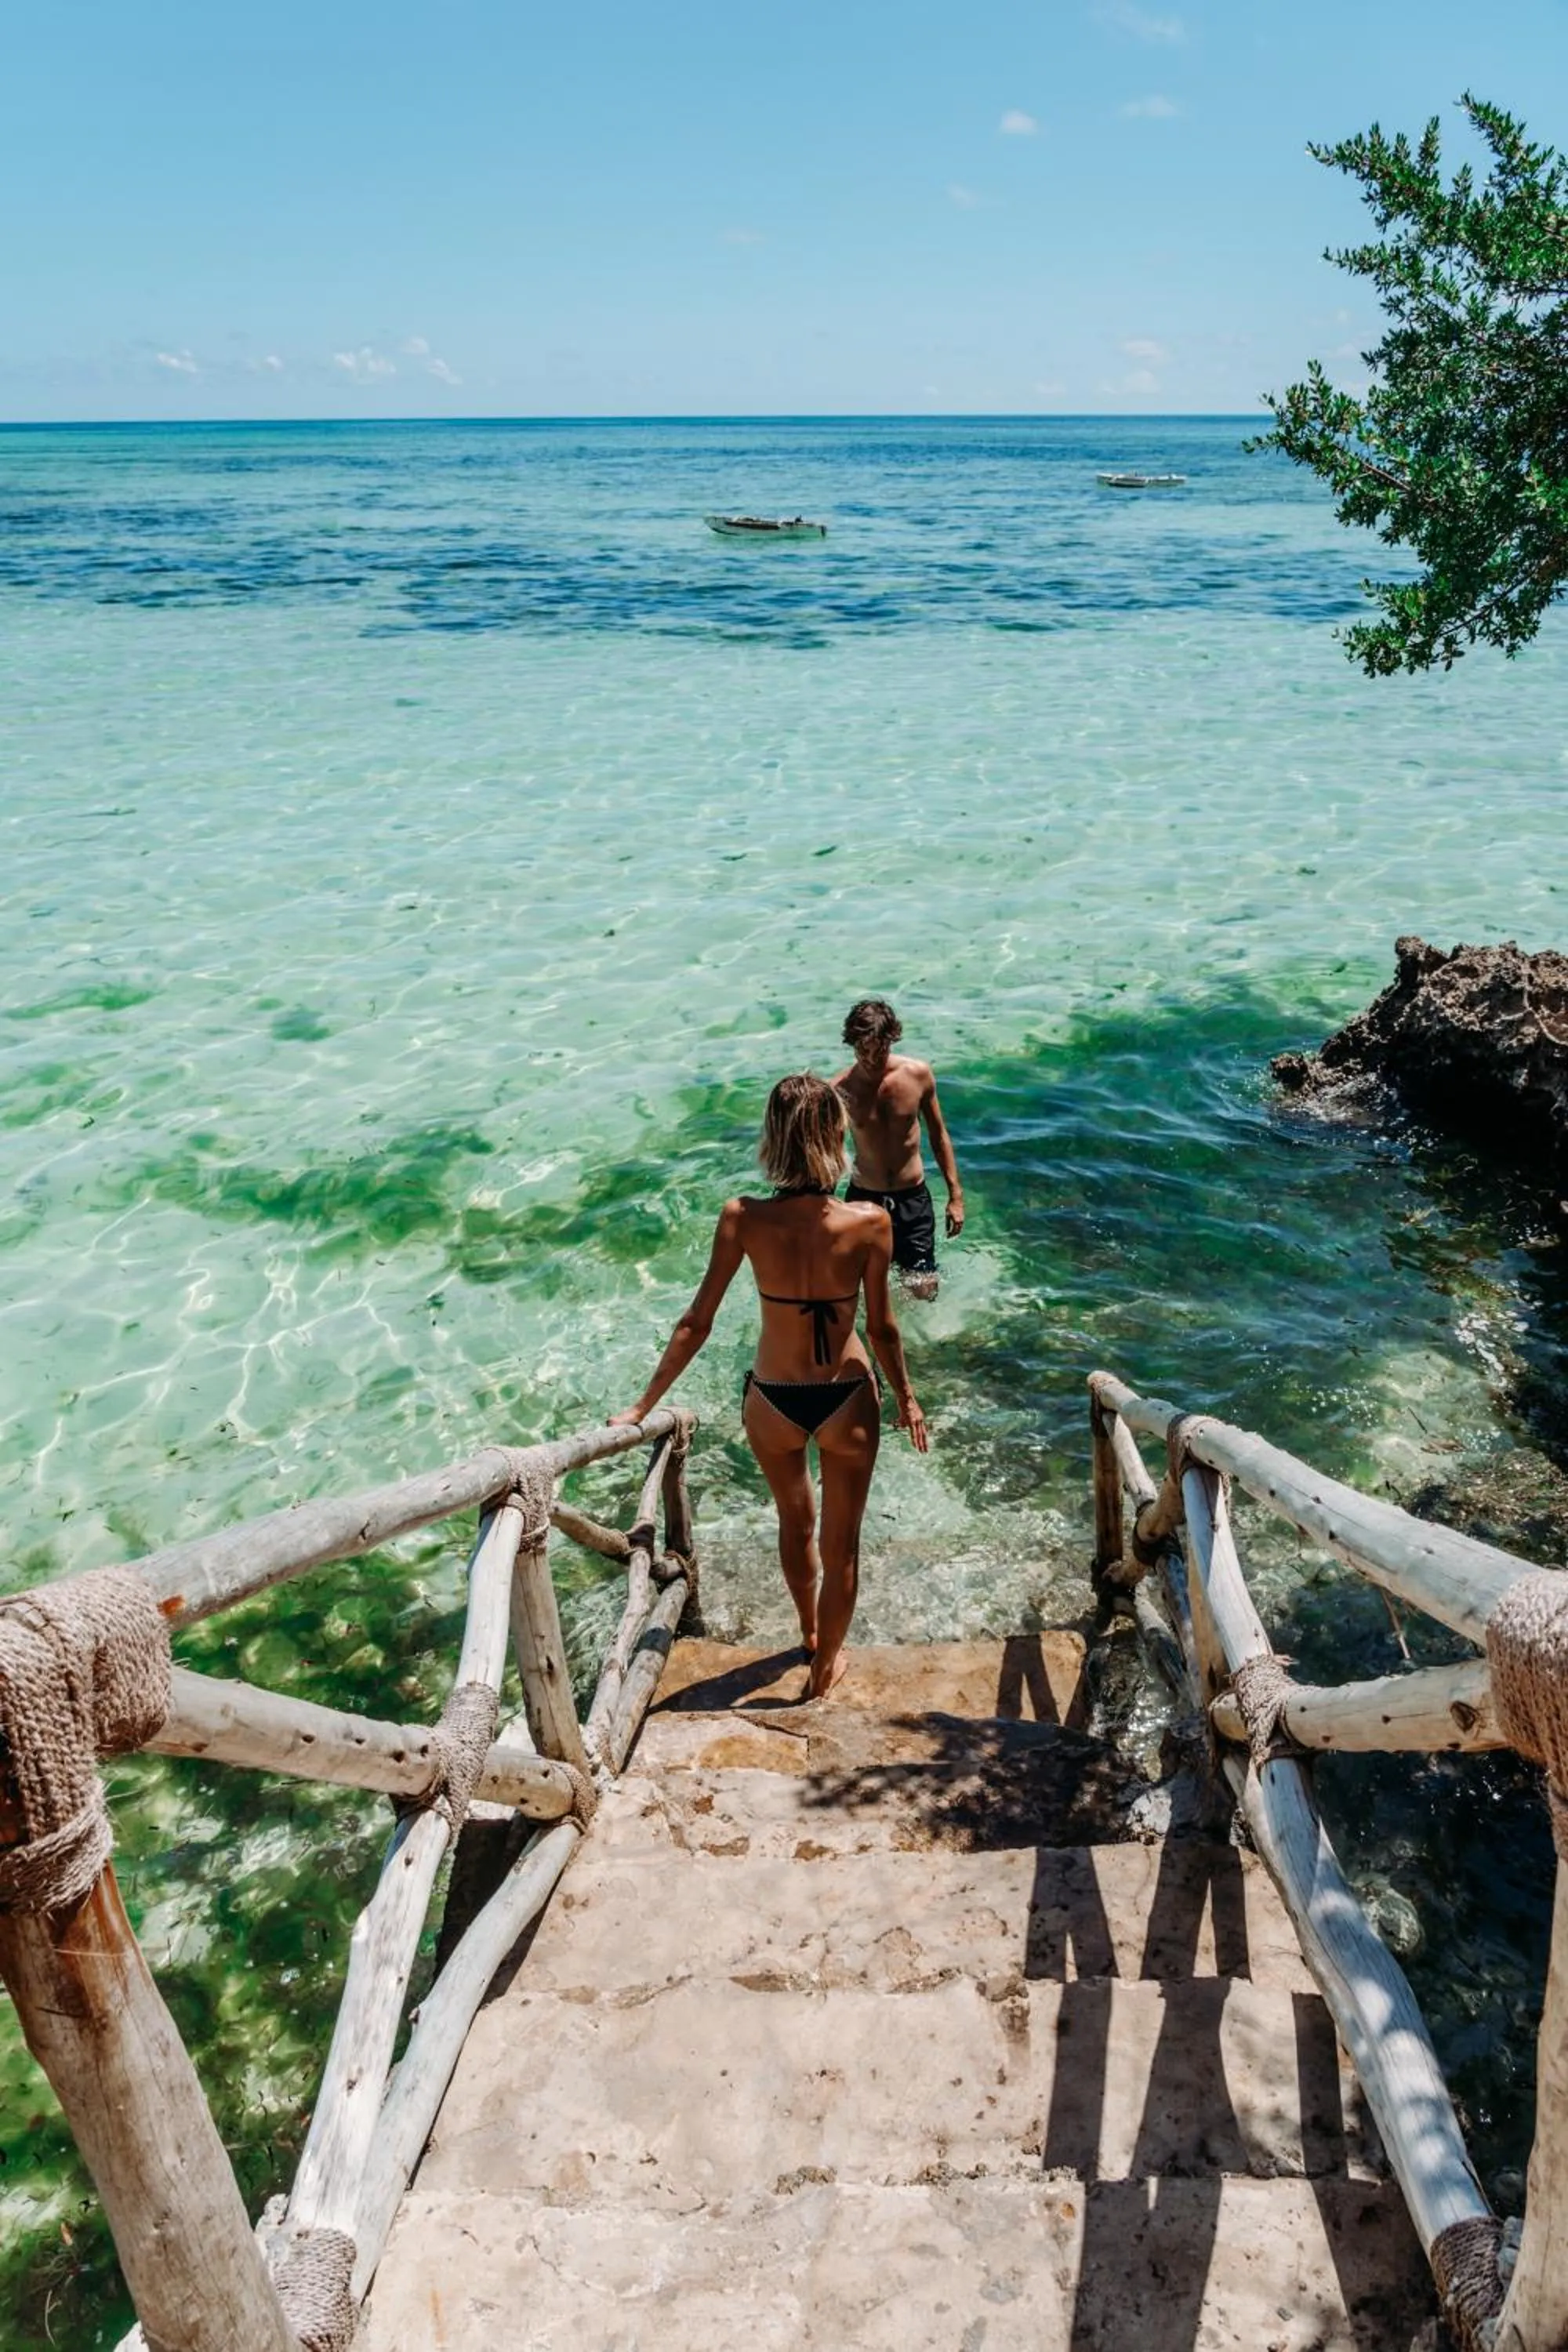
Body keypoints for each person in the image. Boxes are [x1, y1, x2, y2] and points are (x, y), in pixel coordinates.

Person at [611, 1073, 927, 1700]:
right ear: (837, 1136)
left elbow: (696, 1321)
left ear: (775, 1139)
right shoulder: (870, 1222)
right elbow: (885, 1329)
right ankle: (822, 1668)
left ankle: (808, 1631)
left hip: (774, 1396)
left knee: (795, 1523)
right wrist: (908, 1400)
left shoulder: (742, 1217)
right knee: (844, 1547)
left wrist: (641, 1406)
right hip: (846, 1392)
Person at [835, 997, 964, 1301]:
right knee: (858, 1287)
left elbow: (939, 1135)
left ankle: (918, 1346)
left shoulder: (918, 1075)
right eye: (861, 1051)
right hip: (864, 1199)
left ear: (891, 1040)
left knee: (923, 1289)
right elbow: (829, 1153)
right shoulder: (840, 1089)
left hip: (912, 1199)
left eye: (878, 1050)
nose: (869, 1059)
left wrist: (955, 1196)